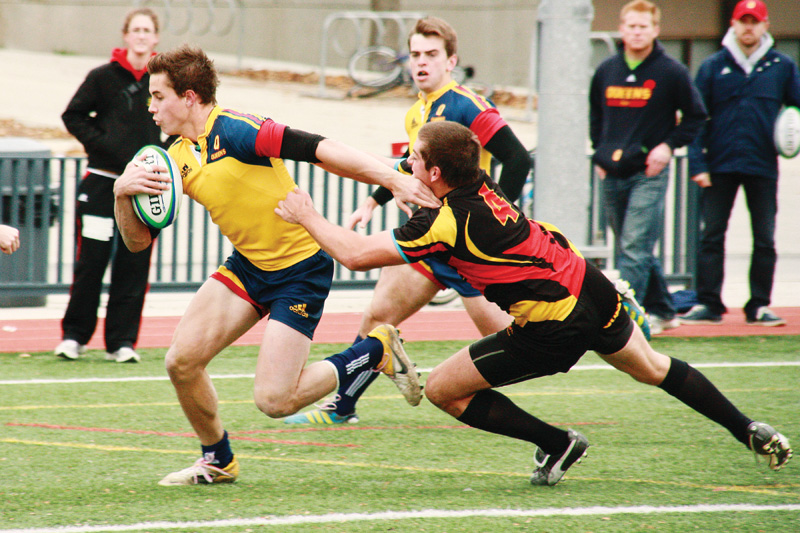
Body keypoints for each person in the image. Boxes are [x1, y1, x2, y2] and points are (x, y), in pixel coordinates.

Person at [276, 120, 792, 485]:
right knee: (654, 368)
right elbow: (442, 178)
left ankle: (557, 441)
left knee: (442, 391)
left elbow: (358, 254)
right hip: (592, 286)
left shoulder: (443, 222)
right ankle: (746, 426)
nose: (407, 160)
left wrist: (308, 215)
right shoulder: (481, 182)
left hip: (553, 324)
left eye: (415, 156)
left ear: (435, 173)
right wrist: (404, 179)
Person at [113, 44, 439, 485]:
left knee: (275, 401)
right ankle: (217, 460)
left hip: (300, 271)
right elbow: (137, 243)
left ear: (189, 96)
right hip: (246, 269)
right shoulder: (174, 159)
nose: (151, 107)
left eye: (158, 96)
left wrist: (391, 176)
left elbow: (322, 149)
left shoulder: (240, 131)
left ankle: (375, 349)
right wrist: (122, 195)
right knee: (181, 362)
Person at [284, 16, 532, 425]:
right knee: (377, 317)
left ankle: (605, 312)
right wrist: (373, 200)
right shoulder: (418, 111)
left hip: (467, 244)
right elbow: (409, 166)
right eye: (415, 54)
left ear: (451, 61)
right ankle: (342, 407)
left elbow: (518, 158)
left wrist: (495, 219)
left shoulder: (466, 104)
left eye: (432, 55)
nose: (422, 62)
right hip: (430, 240)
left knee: (520, 337)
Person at [589, 0, 707, 335]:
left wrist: (668, 147)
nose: (637, 32)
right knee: (632, 245)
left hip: (648, 174)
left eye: (644, 26)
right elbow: (596, 116)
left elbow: (696, 116)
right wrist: (600, 153)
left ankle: (625, 322)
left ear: (655, 30)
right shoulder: (606, 70)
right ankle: (665, 310)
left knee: (634, 247)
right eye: (631, 25)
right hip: (611, 172)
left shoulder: (671, 72)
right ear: (621, 29)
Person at [56, 8, 165, 363]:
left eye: (147, 30)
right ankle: (74, 337)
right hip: (102, 186)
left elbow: (178, 125)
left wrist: (160, 155)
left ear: (156, 38)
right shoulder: (102, 77)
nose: (141, 36)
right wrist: (105, 146)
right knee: (91, 261)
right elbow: (72, 115)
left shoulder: (162, 82)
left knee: (134, 265)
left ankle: (122, 343)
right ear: (125, 35)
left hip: (146, 191)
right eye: (135, 29)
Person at [682, 0, 800, 326]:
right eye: (743, 21)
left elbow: (797, 106)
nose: (749, 27)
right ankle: (709, 304)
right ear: (733, 24)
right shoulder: (712, 66)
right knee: (711, 237)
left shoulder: (782, 66)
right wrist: (698, 164)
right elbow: (696, 119)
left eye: (755, 21)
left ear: (765, 25)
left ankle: (759, 305)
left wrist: (792, 137)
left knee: (764, 238)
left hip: (762, 165)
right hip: (719, 165)